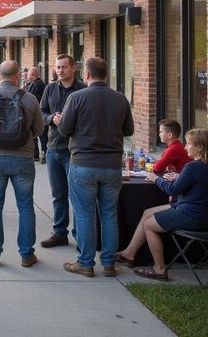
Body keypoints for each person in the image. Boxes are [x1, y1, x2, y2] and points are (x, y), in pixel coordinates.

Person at [58, 57, 134, 277]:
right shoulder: (120, 99)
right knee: (109, 215)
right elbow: (128, 130)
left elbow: (64, 130)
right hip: (111, 165)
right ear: (106, 75)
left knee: (84, 215)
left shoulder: (76, 97)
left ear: (87, 75)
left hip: (83, 163)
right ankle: (109, 263)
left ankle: (86, 263)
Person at [0, 61, 43, 268]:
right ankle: (27, 255)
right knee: (26, 206)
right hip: (23, 159)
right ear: (18, 75)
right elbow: (39, 129)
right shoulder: (29, 98)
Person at [116, 128, 208, 280]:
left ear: (200, 147)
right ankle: (129, 254)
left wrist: (155, 178)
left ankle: (159, 270)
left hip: (192, 214)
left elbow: (172, 189)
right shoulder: (199, 167)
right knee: (147, 213)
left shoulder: (192, 167)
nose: (185, 147)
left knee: (149, 225)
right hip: (201, 212)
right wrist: (179, 176)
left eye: (189, 144)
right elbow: (198, 184)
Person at [39, 54, 86, 249]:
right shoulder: (50, 89)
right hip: (53, 149)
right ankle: (60, 233)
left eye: (64, 67)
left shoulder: (83, 90)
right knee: (58, 194)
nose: (60, 70)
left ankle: (80, 235)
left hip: (75, 151)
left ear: (73, 68)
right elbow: (40, 114)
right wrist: (51, 118)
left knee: (77, 196)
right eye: (57, 67)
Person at [24, 66, 47, 162]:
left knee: (41, 134)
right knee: (37, 134)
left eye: (29, 75)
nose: (27, 77)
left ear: (33, 74)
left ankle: (42, 153)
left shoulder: (37, 85)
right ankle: (37, 153)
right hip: (36, 113)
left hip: (37, 113)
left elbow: (32, 99)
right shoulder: (34, 84)